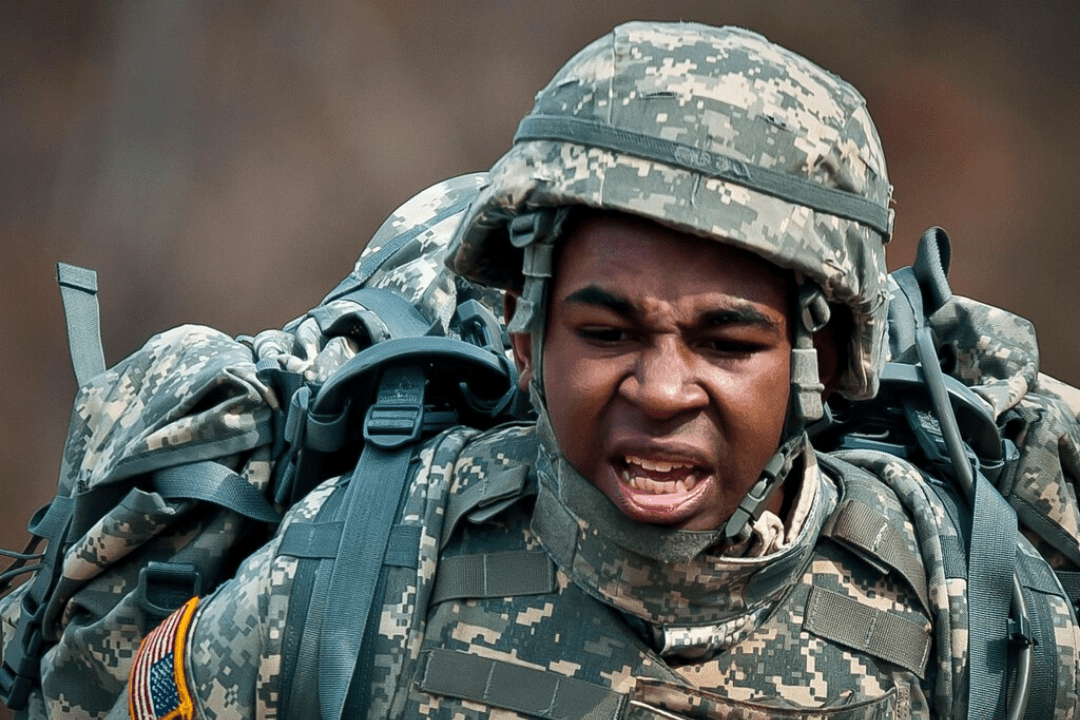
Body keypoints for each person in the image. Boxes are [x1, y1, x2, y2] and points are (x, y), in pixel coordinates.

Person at [107, 20, 1078, 720]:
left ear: (819, 358)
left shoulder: (969, 620)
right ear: (527, 338)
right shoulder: (350, 584)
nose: (660, 392)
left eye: (727, 342)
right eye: (607, 331)